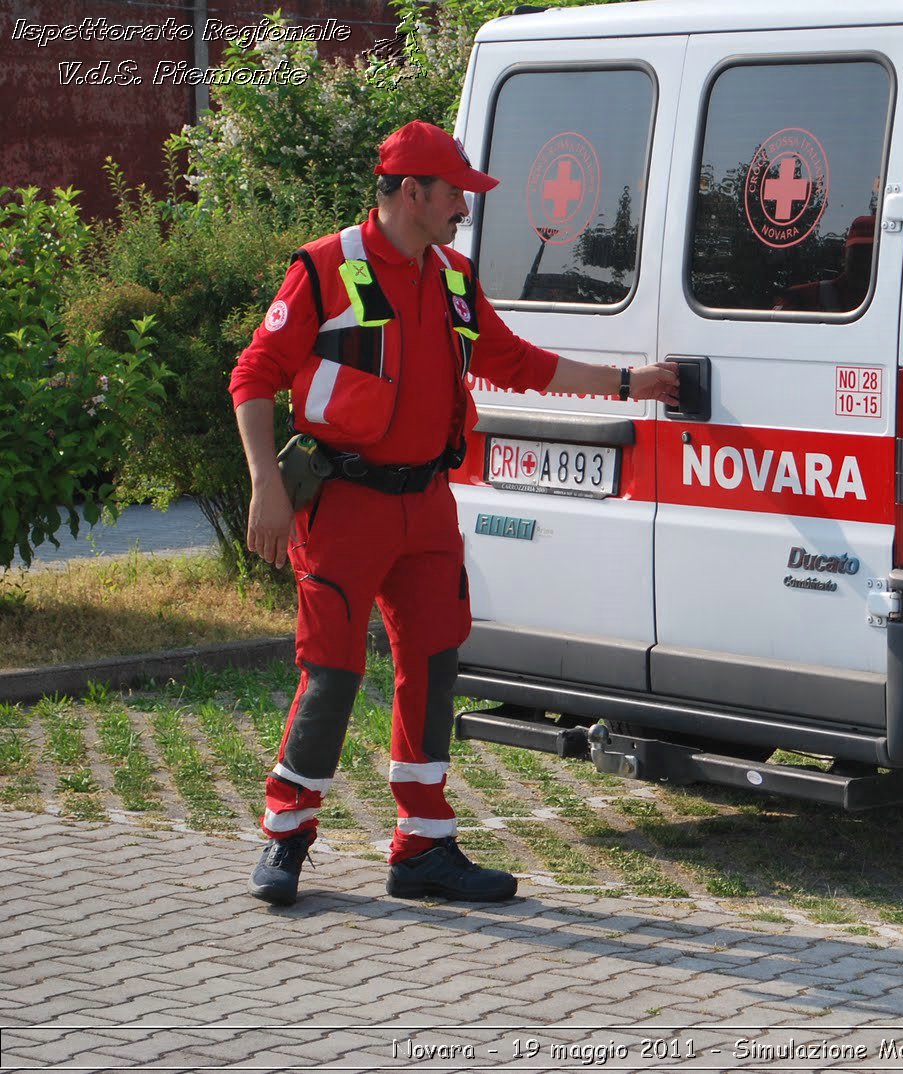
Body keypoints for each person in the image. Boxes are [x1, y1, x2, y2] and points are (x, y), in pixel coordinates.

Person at [231, 120, 678, 906]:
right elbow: (254, 375)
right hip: (345, 508)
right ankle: (287, 837)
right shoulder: (326, 268)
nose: (464, 209)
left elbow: (518, 362)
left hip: (427, 509)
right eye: (455, 196)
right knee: (331, 675)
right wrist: (267, 485)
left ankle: (422, 848)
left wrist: (625, 385)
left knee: (434, 671)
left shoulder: (452, 278)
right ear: (412, 193)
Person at [773, 214, 876, 312]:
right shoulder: (801, 297)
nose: (865, 262)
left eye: (872, 254)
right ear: (844, 258)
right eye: (859, 253)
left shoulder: (889, 303)